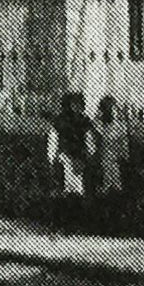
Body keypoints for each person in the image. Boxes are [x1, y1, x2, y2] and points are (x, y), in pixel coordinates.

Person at [42, 91, 93, 226]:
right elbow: (53, 140)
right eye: (74, 104)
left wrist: (88, 155)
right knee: (64, 191)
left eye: (79, 105)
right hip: (64, 159)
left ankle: (72, 223)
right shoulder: (60, 121)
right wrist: (53, 158)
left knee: (76, 192)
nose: (77, 107)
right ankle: (61, 222)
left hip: (78, 159)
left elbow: (89, 141)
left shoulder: (84, 121)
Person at [90, 94, 131, 232]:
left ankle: (115, 222)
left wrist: (124, 159)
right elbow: (92, 143)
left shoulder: (119, 126)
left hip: (115, 163)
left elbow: (124, 147)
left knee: (115, 190)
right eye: (108, 108)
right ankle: (102, 223)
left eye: (112, 108)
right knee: (102, 190)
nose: (112, 111)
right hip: (101, 161)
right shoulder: (98, 126)